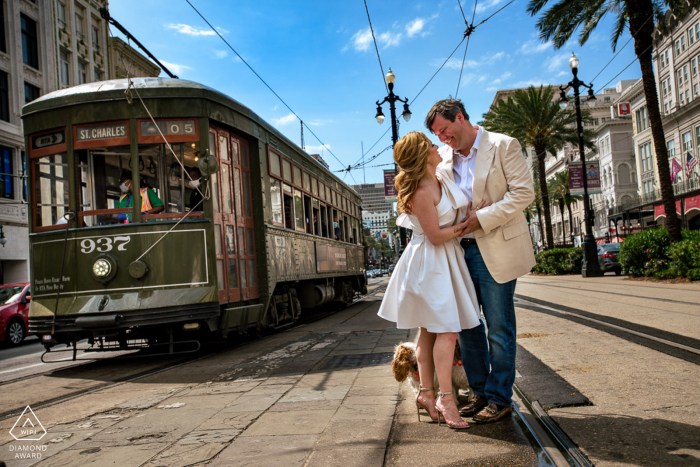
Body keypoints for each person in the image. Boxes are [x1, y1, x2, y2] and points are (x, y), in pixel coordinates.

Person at [426, 99, 535, 423]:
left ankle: (500, 398)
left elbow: (523, 193)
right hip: (459, 251)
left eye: (445, 130)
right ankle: (479, 393)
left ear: (461, 118)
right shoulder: (443, 158)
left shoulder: (503, 145)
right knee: (467, 327)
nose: (443, 139)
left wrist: (482, 216)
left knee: (499, 327)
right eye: (438, 134)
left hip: (495, 247)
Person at [378, 131, 481, 430]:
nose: (438, 148)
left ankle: (426, 392)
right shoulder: (422, 191)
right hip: (431, 264)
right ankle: (445, 398)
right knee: (448, 332)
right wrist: (465, 226)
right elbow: (435, 236)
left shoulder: (439, 176)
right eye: (431, 145)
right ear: (423, 155)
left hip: (444, 262)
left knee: (428, 331)